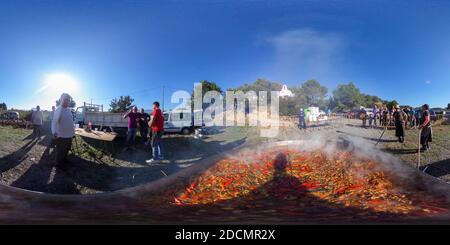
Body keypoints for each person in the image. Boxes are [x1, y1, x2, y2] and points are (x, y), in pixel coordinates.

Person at [51, 93, 75, 167]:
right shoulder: (58, 110)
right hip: (61, 136)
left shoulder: (69, 110)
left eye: (68, 100)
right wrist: (54, 132)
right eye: (65, 99)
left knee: (67, 150)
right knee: (61, 151)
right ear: (61, 100)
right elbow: (54, 123)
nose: (67, 101)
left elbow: (71, 121)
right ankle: (59, 164)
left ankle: (64, 160)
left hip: (69, 135)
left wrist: (73, 130)